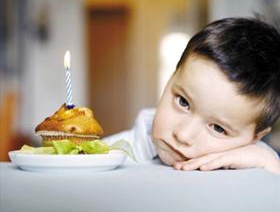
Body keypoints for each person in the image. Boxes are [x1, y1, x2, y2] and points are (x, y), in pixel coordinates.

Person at [105, 17, 280, 174]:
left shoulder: (262, 167)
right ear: (170, 79)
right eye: (183, 102)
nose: (183, 135)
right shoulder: (105, 156)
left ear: (254, 137)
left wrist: (270, 167)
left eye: (218, 128)